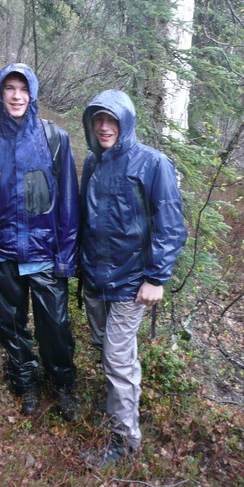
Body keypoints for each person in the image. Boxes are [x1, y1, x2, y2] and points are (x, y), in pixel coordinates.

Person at [80, 89, 187, 465]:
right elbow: (86, 221)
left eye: (112, 120)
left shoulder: (152, 164)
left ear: (126, 122)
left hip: (130, 284)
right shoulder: (92, 165)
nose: (105, 127)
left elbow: (171, 225)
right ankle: (115, 409)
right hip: (95, 280)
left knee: (118, 359)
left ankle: (124, 441)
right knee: (106, 352)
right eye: (99, 119)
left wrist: (156, 278)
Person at [0, 63, 79, 420]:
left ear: (32, 94)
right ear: (0, 94)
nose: (16, 96)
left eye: (22, 89)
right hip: (4, 256)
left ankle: (62, 384)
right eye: (9, 89)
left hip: (46, 255)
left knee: (56, 328)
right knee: (12, 328)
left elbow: (68, 204)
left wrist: (65, 257)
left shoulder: (54, 139)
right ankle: (24, 381)